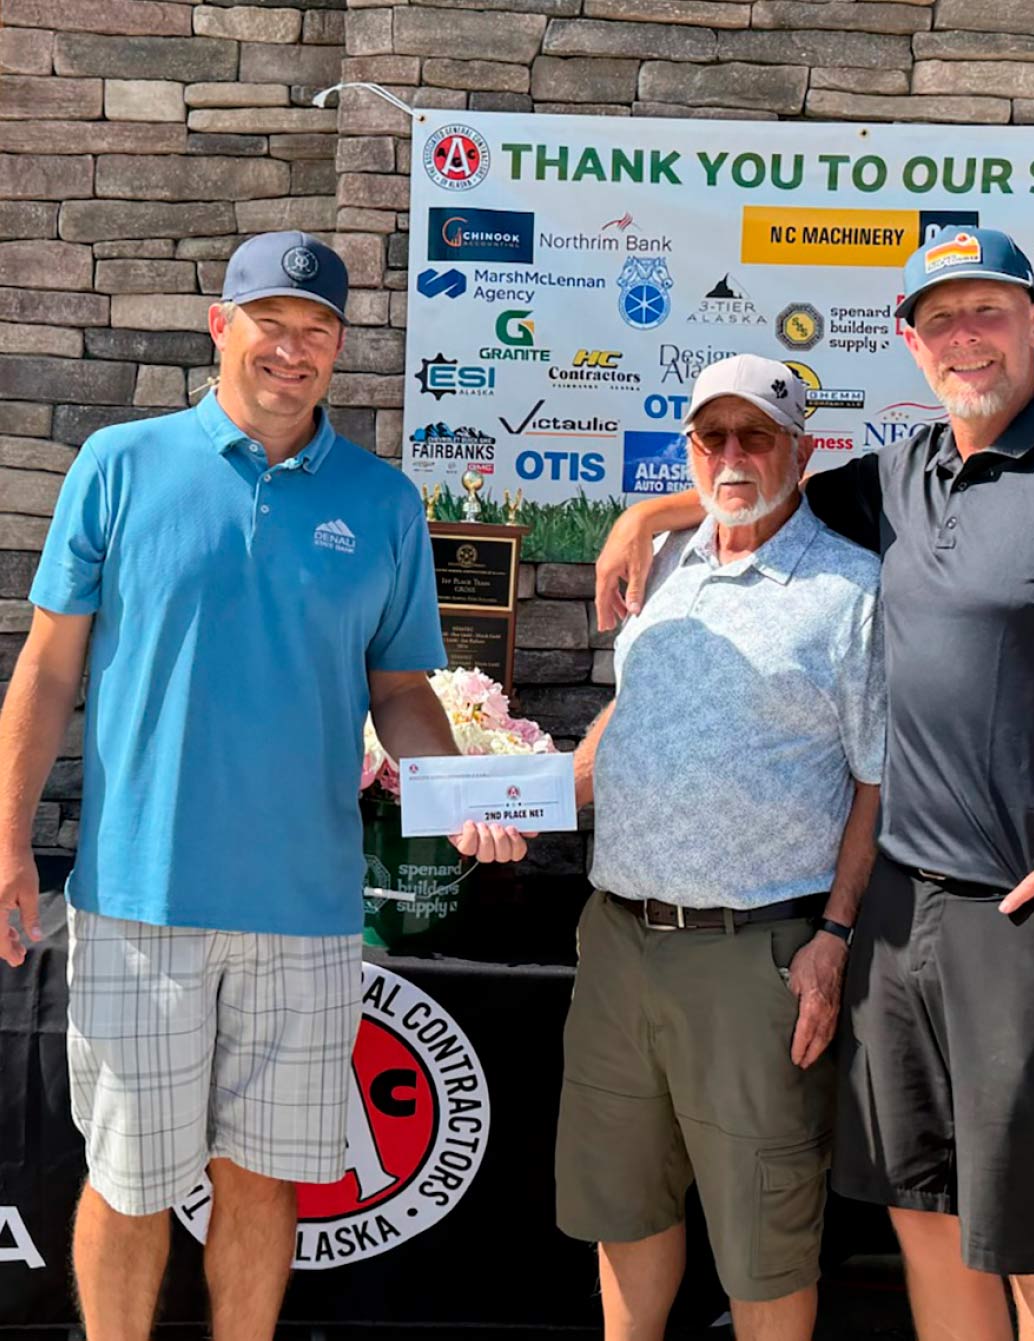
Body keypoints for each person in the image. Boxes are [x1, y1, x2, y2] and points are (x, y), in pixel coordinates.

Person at [592, 226, 1034, 1341]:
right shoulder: (910, 474)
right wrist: (650, 512)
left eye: (989, 312)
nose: (966, 338)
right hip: (898, 919)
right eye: (942, 319)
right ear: (912, 343)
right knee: (924, 1217)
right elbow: (761, 483)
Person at [0, 231, 527, 1341]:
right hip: (143, 901)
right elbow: (47, 670)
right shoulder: (120, 464)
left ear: (341, 346)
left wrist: (458, 792)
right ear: (221, 328)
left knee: (264, 1181)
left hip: (308, 913)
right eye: (272, 325)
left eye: (318, 332)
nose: (294, 351)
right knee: (132, 1181)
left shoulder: (381, 502)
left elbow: (400, 689)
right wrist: (6, 837)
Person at [562, 354, 885, 1341]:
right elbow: (634, 714)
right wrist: (518, 797)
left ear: (803, 450)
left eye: (757, 436)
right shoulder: (663, 568)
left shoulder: (851, 592)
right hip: (618, 941)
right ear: (689, 451)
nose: (733, 456)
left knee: (764, 1236)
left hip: (759, 957)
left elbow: (881, 780)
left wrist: (834, 935)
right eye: (713, 437)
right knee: (625, 1211)